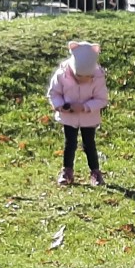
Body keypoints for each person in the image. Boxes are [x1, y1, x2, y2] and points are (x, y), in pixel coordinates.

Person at [46, 40, 108, 186]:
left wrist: (86, 107)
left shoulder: (98, 77)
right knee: (70, 143)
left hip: (89, 117)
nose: (82, 80)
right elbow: (54, 93)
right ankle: (67, 171)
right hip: (69, 117)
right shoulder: (62, 74)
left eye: (86, 78)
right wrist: (61, 106)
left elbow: (102, 99)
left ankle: (95, 172)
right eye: (78, 76)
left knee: (89, 144)